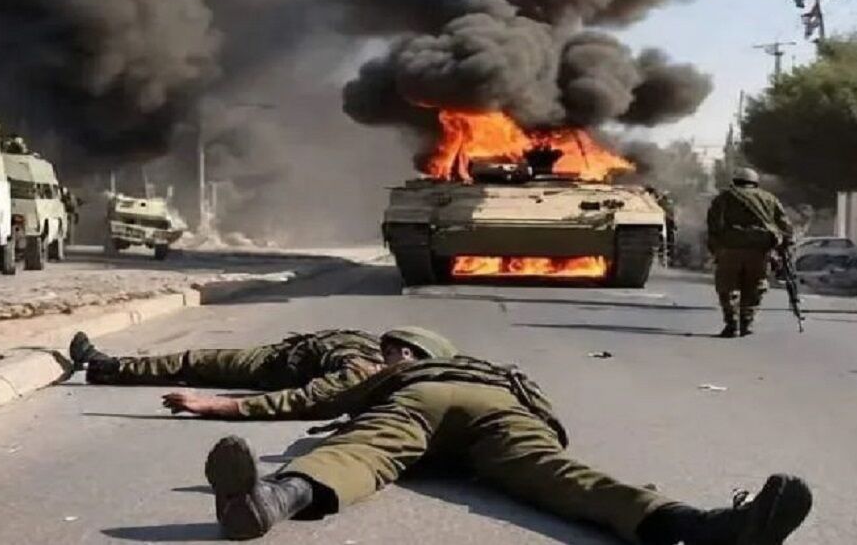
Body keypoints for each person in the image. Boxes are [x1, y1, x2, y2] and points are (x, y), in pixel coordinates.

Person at [201, 355, 813, 543]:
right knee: (566, 476)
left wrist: (230, 406)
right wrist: (532, 441)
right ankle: (702, 527)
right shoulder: (503, 372)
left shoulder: (406, 369)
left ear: (410, 352)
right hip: (503, 412)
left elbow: (317, 399)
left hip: (419, 403)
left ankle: (272, 499)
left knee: (361, 451)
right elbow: (551, 427)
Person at [68, 326, 457, 417]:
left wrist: (216, 405)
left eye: (404, 352)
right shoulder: (376, 355)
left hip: (273, 368)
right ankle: (106, 368)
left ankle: (103, 366)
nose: (395, 351)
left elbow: (301, 399)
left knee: (195, 363)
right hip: (286, 352)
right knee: (196, 364)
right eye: (396, 347)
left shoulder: (362, 374)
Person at [706, 168, 793, 338]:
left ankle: (732, 323)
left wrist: (715, 249)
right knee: (755, 286)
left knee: (728, 287)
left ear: (735, 181)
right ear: (755, 182)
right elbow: (784, 225)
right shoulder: (769, 198)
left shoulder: (724, 197)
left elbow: (713, 225)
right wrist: (785, 246)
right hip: (760, 251)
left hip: (731, 249)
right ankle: (746, 321)